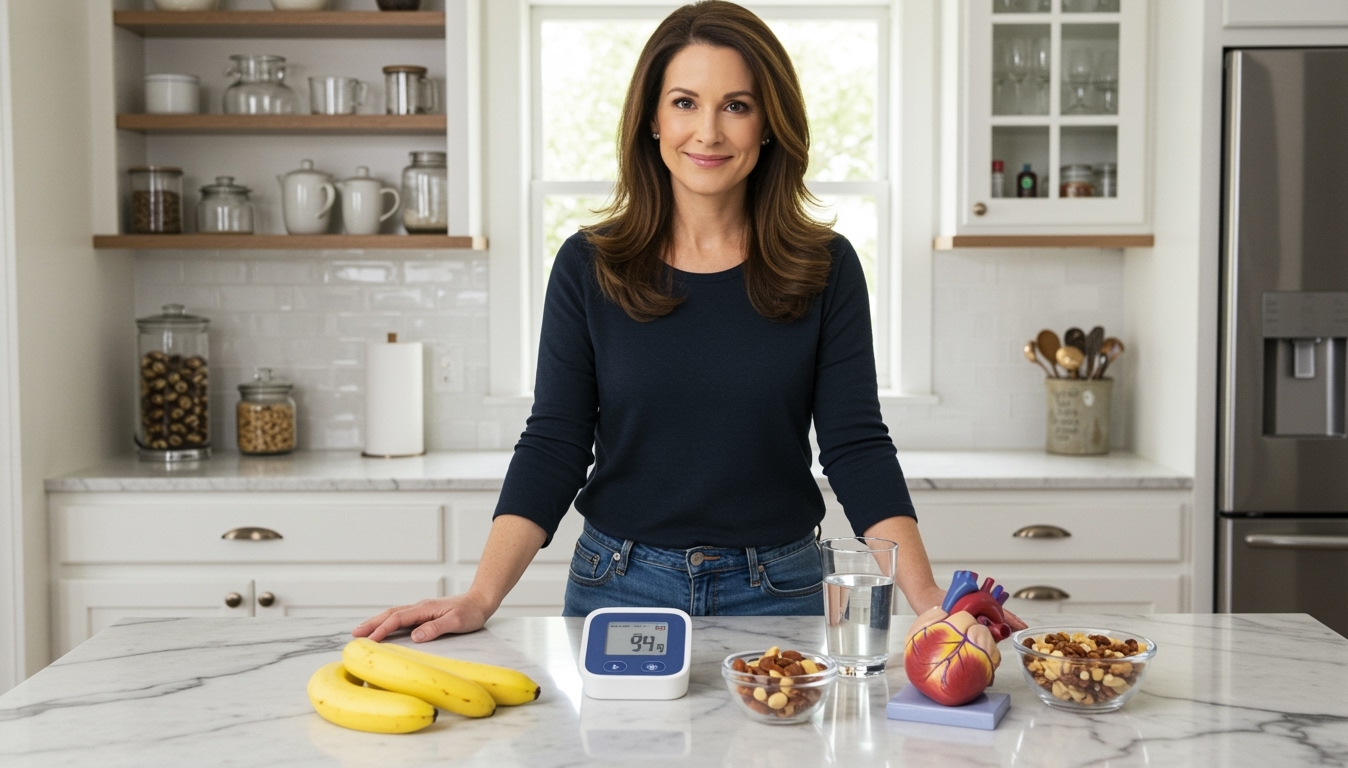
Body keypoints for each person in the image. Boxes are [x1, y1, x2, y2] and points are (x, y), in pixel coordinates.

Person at [355, 0, 1025, 644]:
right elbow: (556, 441)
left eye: (736, 105)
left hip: (783, 589)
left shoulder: (826, 267)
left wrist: (929, 601)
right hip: (617, 585)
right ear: (651, 120)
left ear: (768, 125)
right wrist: (480, 597)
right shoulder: (590, 264)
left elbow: (856, 447)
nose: (708, 132)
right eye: (685, 103)